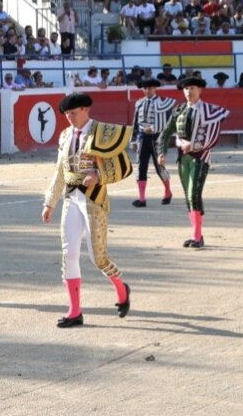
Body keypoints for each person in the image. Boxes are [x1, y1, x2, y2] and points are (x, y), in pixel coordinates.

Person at [41, 92, 134, 327]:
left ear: (86, 110)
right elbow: (60, 171)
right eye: (67, 114)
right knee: (69, 253)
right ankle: (75, 311)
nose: (70, 118)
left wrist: (99, 175)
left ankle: (122, 289)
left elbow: (124, 167)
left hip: (94, 199)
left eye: (73, 113)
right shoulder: (64, 136)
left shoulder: (102, 132)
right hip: (71, 198)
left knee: (98, 257)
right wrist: (50, 202)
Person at [159, 76, 229, 248]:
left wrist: (195, 145)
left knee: (194, 194)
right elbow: (166, 132)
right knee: (188, 197)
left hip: (201, 157)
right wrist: (162, 151)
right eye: (186, 88)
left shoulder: (209, 110)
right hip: (183, 157)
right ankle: (196, 234)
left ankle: (197, 236)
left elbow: (213, 137)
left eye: (192, 88)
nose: (189, 91)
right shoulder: (179, 110)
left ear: (200, 90)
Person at [131, 80, 176, 207]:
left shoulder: (163, 102)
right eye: (145, 88)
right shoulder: (139, 103)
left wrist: (155, 129)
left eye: (150, 88)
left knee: (159, 167)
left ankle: (168, 192)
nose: (147, 91)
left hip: (157, 138)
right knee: (141, 167)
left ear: (155, 88)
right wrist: (133, 140)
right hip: (142, 138)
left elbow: (167, 123)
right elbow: (135, 122)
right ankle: (141, 198)